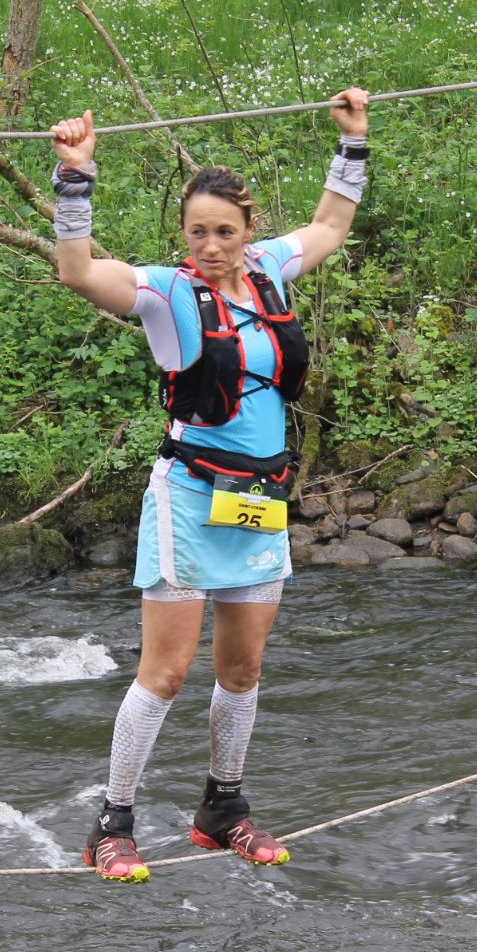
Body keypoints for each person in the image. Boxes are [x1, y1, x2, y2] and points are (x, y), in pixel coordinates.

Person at [49, 88, 372, 882]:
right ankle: (112, 822)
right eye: (199, 233)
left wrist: (352, 144)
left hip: (259, 503)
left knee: (243, 671)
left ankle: (222, 806)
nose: (213, 246)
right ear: (184, 235)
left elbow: (331, 223)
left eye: (225, 232)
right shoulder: (164, 291)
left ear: (248, 231)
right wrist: (75, 179)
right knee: (166, 672)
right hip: (189, 498)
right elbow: (77, 272)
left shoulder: (271, 272)